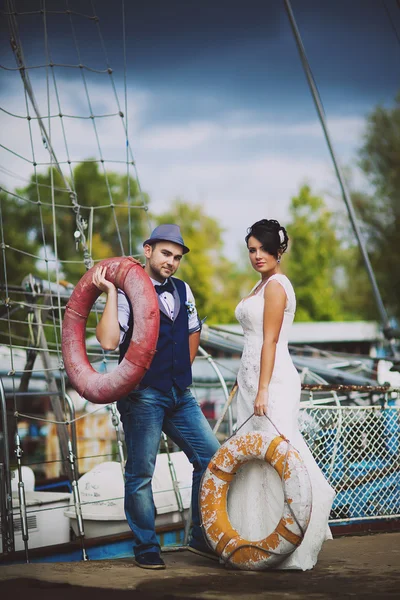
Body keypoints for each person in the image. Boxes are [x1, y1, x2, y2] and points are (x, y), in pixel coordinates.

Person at [93, 224, 220, 570]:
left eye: (177, 257)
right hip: (143, 396)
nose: (172, 262)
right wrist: (109, 292)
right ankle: (146, 547)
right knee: (141, 474)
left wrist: (180, 368)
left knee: (211, 457)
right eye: (166, 253)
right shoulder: (127, 290)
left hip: (181, 393)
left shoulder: (182, 288)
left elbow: (193, 332)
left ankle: (200, 537)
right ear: (147, 250)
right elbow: (107, 342)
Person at [227, 218, 335, 571]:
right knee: (253, 458)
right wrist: (243, 380)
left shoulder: (276, 286)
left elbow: (270, 340)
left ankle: (297, 530)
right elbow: (252, 342)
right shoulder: (259, 287)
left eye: (263, 249)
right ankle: (256, 534)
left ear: (278, 250)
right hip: (251, 378)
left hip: (271, 381)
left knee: (277, 451)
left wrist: (261, 389)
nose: (257, 256)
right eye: (252, 250)